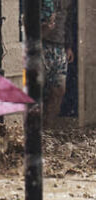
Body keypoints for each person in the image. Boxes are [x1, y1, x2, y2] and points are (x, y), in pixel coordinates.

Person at [41, 0, 75, 128]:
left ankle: (48, 127)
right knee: (39, 90)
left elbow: (68, 22)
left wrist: (68, 46)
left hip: (60, 48)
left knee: (59, 90)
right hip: (42, 45)